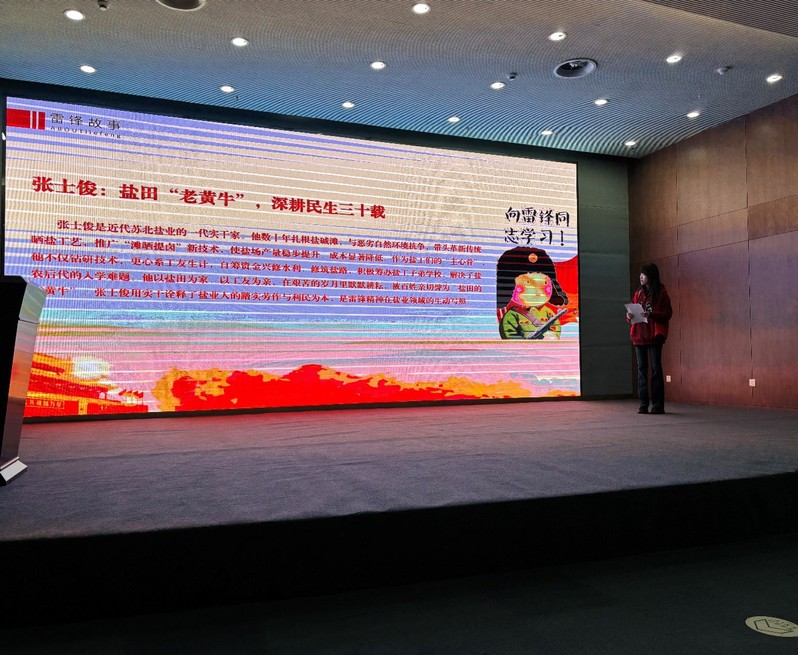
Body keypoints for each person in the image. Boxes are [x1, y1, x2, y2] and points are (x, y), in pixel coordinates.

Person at [627, 263, 673, 414]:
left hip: (654, 336)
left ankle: (658, 405)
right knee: (641, 370)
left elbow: (668, 313)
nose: (641, 277)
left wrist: (651, 314)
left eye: (644, 274)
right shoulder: (638, 294)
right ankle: (643, 403)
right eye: (640, 274)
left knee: (655, 369)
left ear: (651, 276)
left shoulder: (661, 292)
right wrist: (629, 316)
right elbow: (632, 314)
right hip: (639, 336)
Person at [496, 246, 569, 339]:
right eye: (528, 283)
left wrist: (552, 336)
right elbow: (509, 333)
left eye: (545, 283)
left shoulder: (548, 312)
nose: (538, 290)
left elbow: (555, 326)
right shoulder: (513, 314)